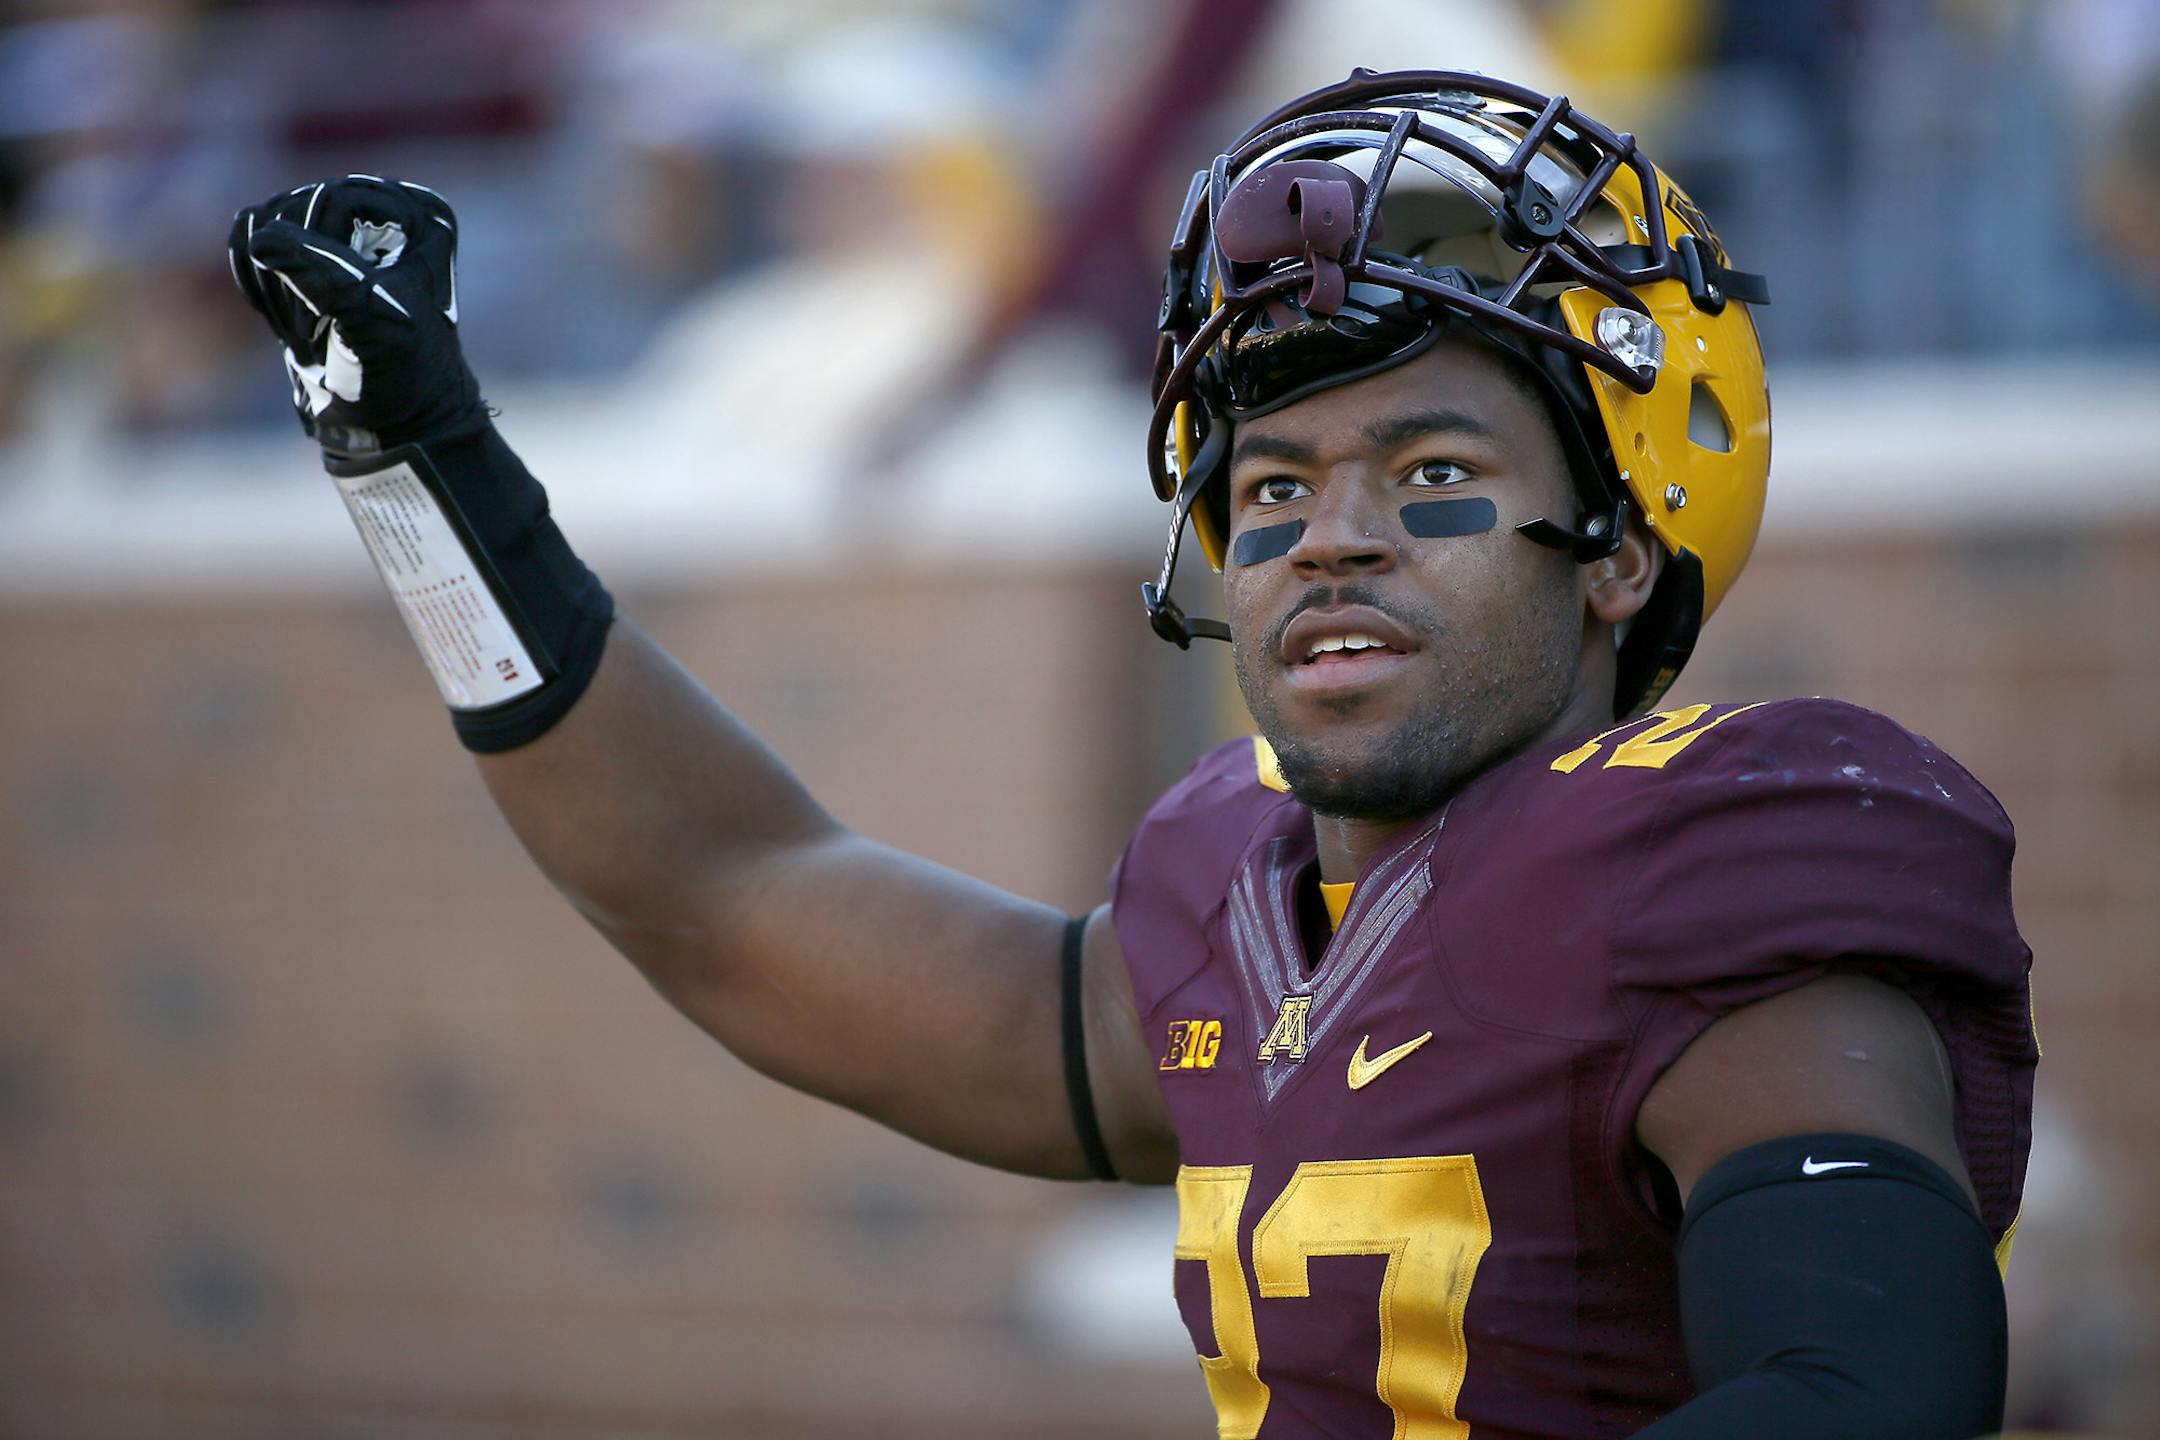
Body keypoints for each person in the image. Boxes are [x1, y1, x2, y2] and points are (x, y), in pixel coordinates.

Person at [227, 69, 2034, 1440]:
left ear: (1619, 550)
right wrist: (420, 472)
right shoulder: (1239, 901)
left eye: (1436, 479)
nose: (1332, 538)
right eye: (1270, 490)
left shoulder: (1717, 880)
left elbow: (1857, 1384)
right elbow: (729, 896)